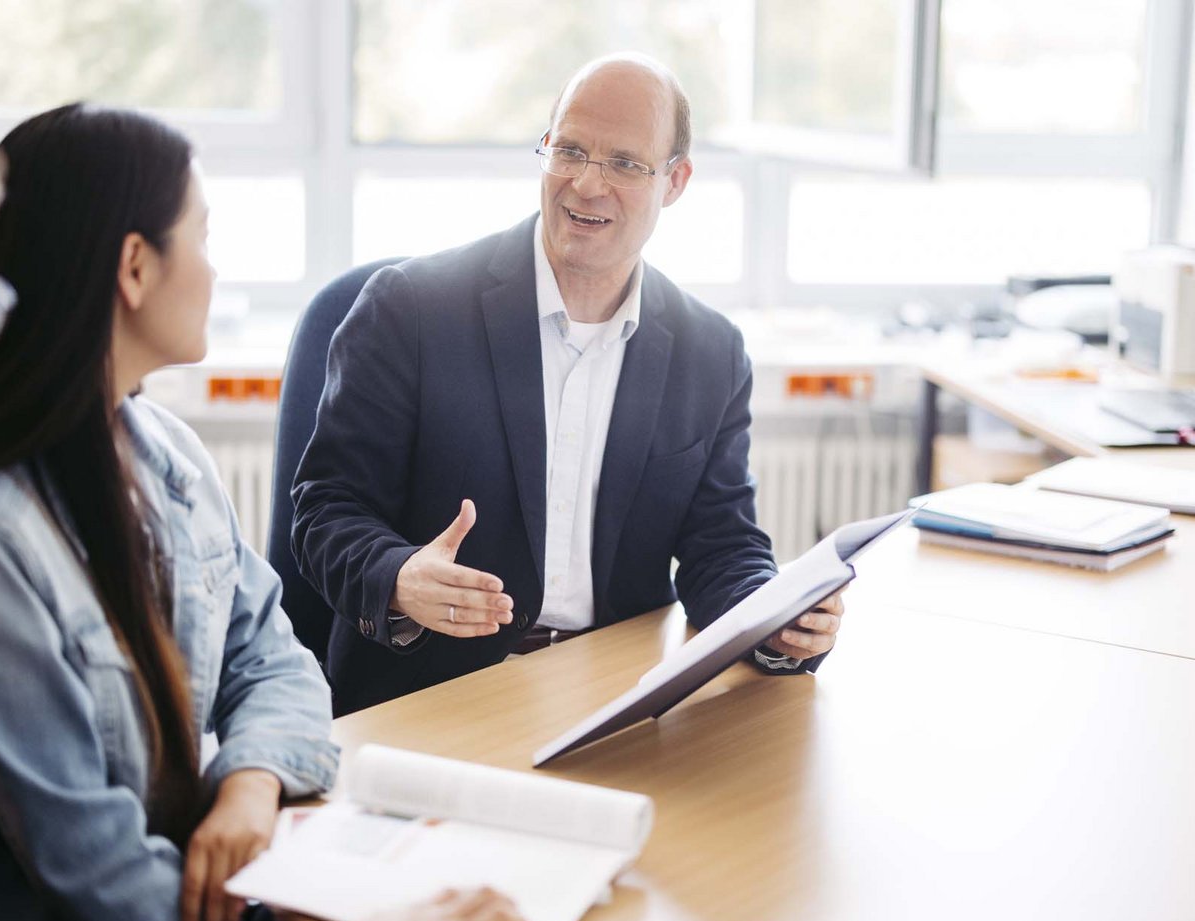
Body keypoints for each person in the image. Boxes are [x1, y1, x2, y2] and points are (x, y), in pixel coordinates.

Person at [0, 102, 539, 921]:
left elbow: (278, 658)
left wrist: (252, 779)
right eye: (204, 237)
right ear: (135, 267)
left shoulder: (163, 448)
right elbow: (88, 869)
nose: (216, 270)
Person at [292, 54, 845, 715]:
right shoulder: (410, 309)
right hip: (435, 693)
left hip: (618, 694)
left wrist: (775, 615)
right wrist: (399, 577)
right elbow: (324, 510)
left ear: (675, 181)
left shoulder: (711, 352)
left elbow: (721, 545)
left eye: (624, 163)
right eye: (570, 150)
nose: (586, 184)